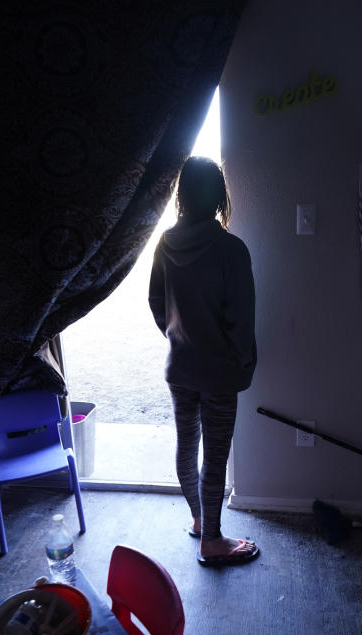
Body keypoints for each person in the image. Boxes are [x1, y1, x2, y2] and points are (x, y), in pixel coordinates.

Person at [148, 156, 259, 566]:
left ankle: (199, 521)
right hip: (218, 373)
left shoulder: (166, 243)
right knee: (214, 456)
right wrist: (242, 364)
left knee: (186, 446)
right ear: (218, 197)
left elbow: (156, 302)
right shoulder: (231, 249)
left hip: (180, 366)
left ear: (182, 196)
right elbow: (241, 319)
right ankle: (211, 540)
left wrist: (178, 336)